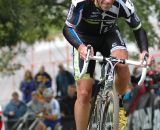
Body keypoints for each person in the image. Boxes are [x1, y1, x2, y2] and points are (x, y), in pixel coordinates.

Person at [62, 0, 152, 130]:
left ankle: (119, 104)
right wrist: (80, 47)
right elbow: (67, 28)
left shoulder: (124, 4)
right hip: (83, 39)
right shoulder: (81, 2)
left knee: (122, 64)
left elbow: (137, 28)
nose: (108, 2)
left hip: (109, 35)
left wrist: (144, 51)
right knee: (84, 92)